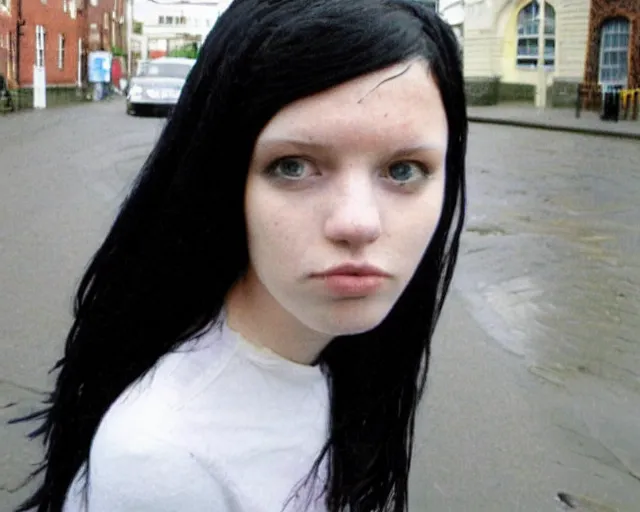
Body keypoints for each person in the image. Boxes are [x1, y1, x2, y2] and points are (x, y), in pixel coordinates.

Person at [14, 0, 467, 510]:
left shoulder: (332, 357)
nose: (358, 223)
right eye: (293, 166)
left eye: (404, 170)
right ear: (224, 180)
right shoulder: (162, 461)